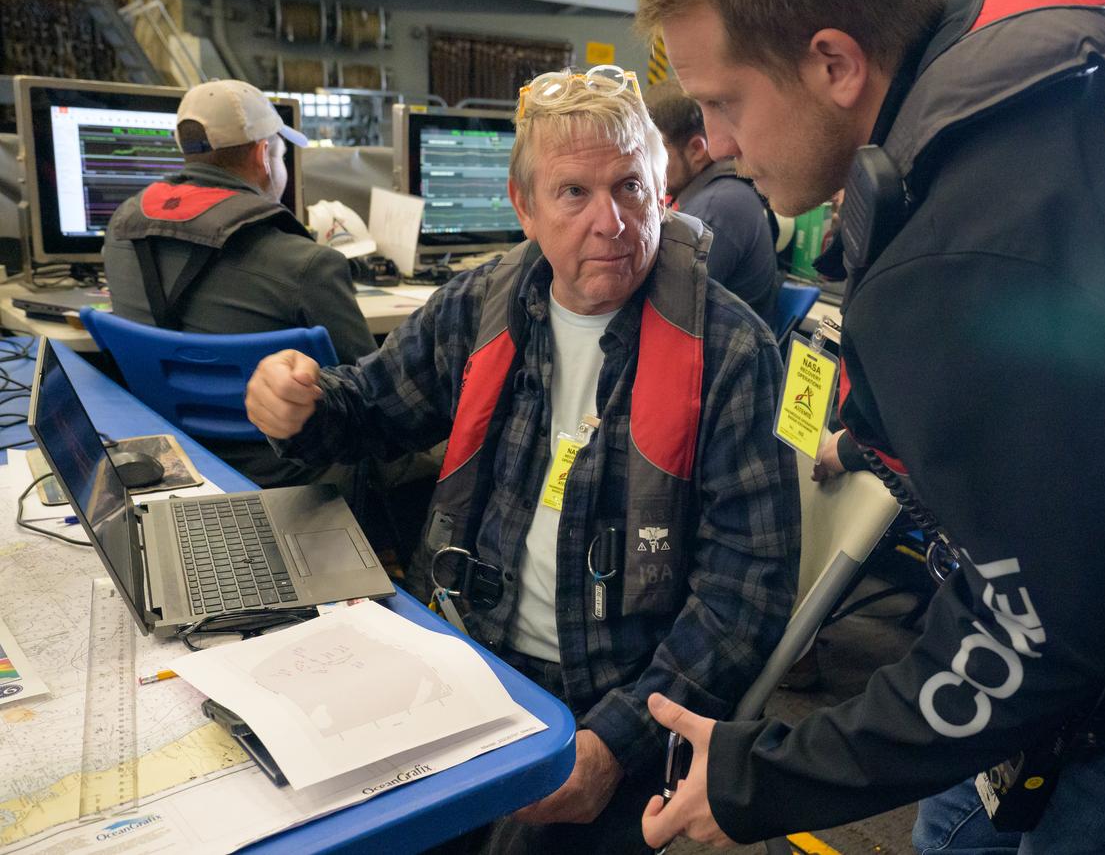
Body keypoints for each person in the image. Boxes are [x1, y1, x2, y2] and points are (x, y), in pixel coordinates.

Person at [634, 0, 1105, 852]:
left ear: (835, 63)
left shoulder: (965, 249)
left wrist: (762, 780)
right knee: (952, 828)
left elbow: (1035, 641)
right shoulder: (1053, 106)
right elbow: (1085, 395)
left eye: (725, 101)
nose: (712, 141)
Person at [244, 66, 799, 854]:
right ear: (525, 208)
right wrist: (298, 404)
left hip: (615, 697)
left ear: (663, 191)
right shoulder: (480, 305)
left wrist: (613, 745)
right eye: (574, 193)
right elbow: (366, 413)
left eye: (631, 188)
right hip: (464, 661)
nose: (611, 221)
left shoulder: (732, 351)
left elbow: (747, 594)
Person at [103, 79, 376, 486]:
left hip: (174, 460)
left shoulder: (121, 230)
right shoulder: (310, 264)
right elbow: (373, 399)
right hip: (297, 474)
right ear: (264, 155)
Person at [645, 79, 780, 324]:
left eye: (655, 151)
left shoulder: (714, 210)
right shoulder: (716, 193)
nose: (646, 164)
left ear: (697, 149)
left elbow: (665, 308)